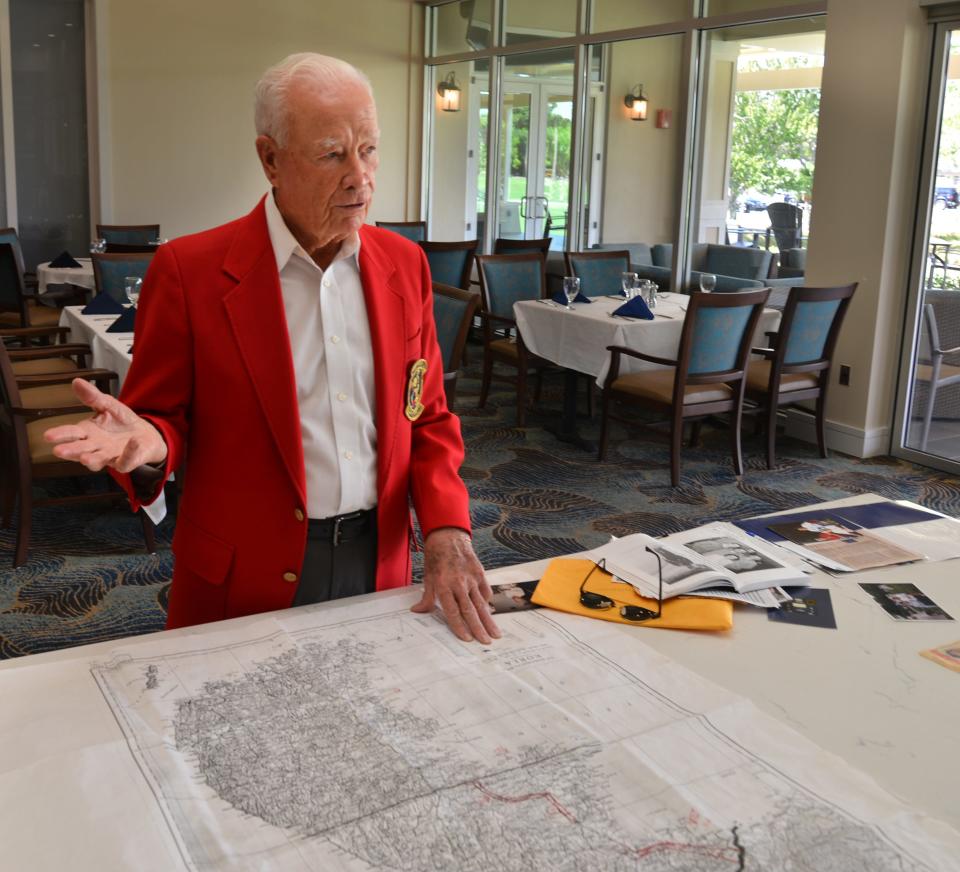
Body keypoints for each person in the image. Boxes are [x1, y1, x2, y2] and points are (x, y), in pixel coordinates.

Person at [43, 53, 499, 645]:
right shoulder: (192, 271)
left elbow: (428, 418)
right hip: (244, 576)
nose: (360, 177)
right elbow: (160, 419)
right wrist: (149, 441)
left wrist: (445, 528)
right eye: (333, 154)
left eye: (369, 150)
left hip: (381, 563)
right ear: (270, 159)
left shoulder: (403, 265)